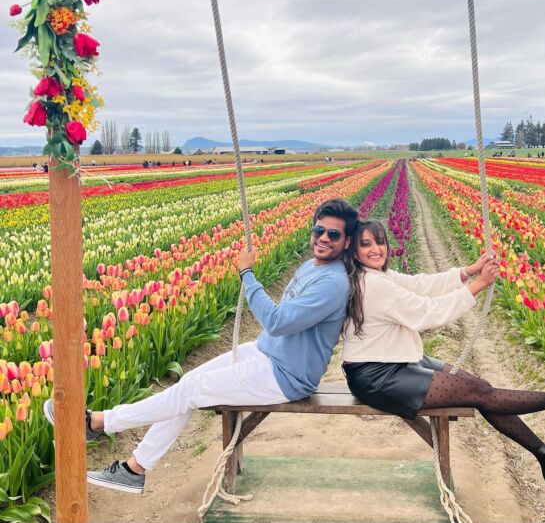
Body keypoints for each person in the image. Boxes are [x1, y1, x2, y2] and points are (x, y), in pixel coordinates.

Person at [44, 198, 358, 494]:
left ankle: (98, 422)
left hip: (286, 376)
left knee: (191, 392)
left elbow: (276, 321)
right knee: (187, 384)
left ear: (346, 242)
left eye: (334, 234)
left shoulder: (332, 283)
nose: (323, 238)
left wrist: (247, 274)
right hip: (266, 353)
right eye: (319, 230)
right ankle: (134, 469)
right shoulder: (312, 267)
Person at [341, 219, 545, 503]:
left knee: (478, 387)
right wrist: (479, 284)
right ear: (354, 251)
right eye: (366, 244)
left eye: (380, 241)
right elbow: (427, 312)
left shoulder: (377, 277)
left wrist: (467, 272)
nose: (376, 249)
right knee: (479, 393)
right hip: (378, 376)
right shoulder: (371, 284)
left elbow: (419, 284)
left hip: (397, 360)